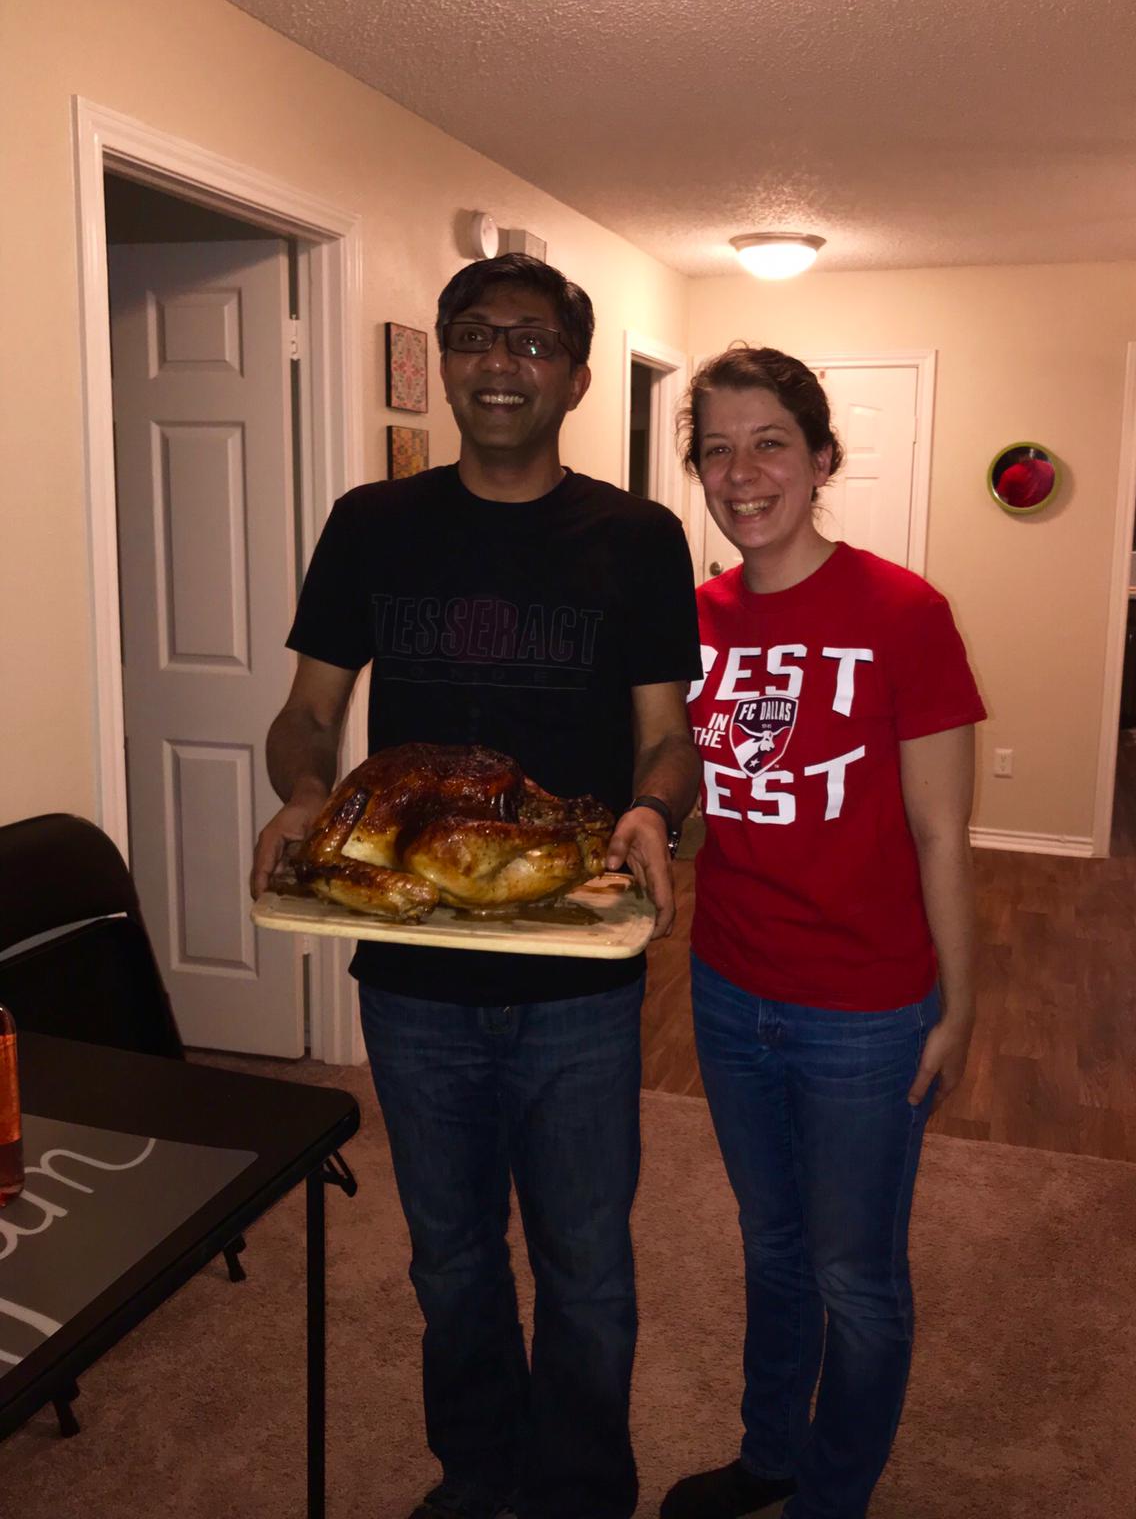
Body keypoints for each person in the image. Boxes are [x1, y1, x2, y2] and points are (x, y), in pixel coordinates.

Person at [251, 253, 701, 1519]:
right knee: (449, 1259)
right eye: (474, 335)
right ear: (446, 358)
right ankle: (478, 1475)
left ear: (577, 375)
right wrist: (305, 793)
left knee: (586, 1265)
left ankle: (579, 1492)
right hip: (413, 976)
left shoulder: (638, 538)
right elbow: (307, 714)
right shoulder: (370, 524)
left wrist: (654, 811)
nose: (500, 361)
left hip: (578, 967)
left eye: (532, 340)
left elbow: (667, 737)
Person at [661, 346, 985, 1519]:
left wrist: (959, 1006)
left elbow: (943, 834)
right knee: (773, 1246)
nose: (742, 472)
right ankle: (772, 1454)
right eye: (717, 450)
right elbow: (697, 795)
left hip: (866, 1009)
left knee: (856, 1273)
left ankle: (831, 1497)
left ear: (821, 458)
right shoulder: (691, 621)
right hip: (727, 985)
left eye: (770, 443)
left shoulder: (904, 613)